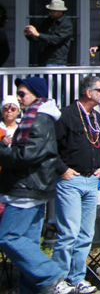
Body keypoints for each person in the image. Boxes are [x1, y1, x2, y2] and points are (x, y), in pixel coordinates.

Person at [0, 77, 74, 294]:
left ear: (36, 95)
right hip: (32, 187)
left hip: (25, 189)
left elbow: (26, 154)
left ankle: (51, 276)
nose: (19, 98)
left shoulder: (39, 119)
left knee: (8, 237)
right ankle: (32, 290)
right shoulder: (37, 117)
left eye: (23, 94)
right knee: (28, 244)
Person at [53, 76, 100, 294]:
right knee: (69, 232)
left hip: (91, 180)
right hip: (71, 181)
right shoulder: (66, 115)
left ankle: (77, 278)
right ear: (88, 92)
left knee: (86, 233)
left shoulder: (97, 118)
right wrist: (62, 169)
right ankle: (58, 280)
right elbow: (51, 147)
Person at [24, 0, 74, 67]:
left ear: (61, 11)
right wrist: (30, 35)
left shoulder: (66, 24)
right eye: (49, 11)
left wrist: (38, 34)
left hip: (56, 61)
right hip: (43, 59)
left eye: (53, 11)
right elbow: (39, 37)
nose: (50, 13)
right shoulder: (48, 21)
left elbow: (56, 39)